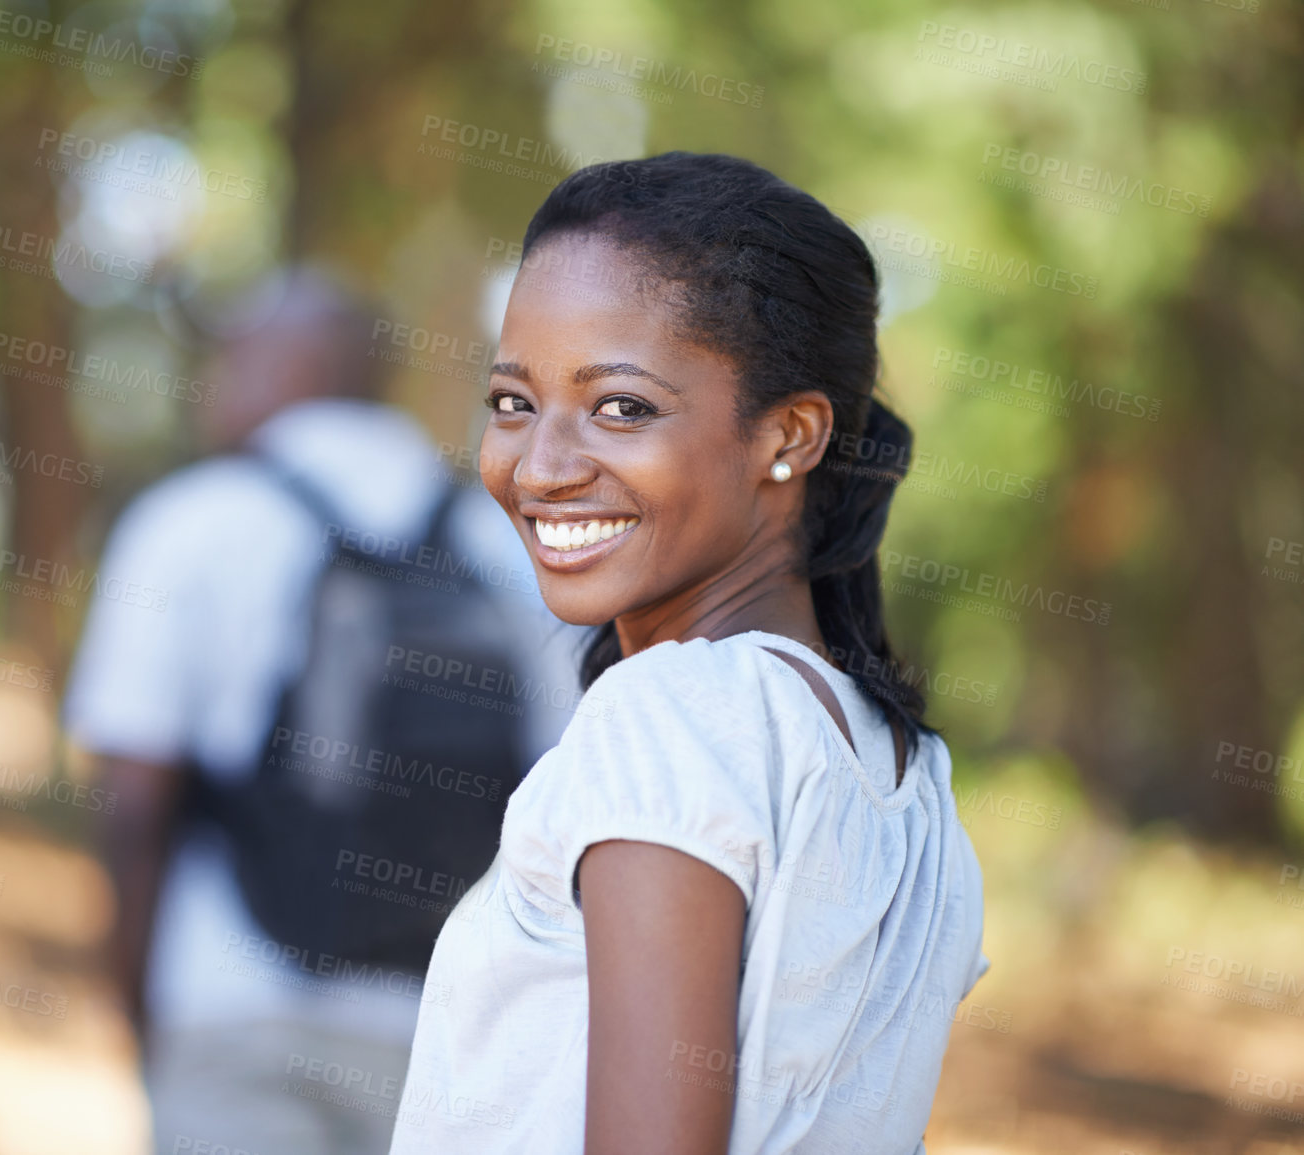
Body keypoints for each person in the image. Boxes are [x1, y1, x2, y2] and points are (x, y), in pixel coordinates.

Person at [387, 153, 991, 1154]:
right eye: (512, 402)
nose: (540, 466)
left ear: (788, 436)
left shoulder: (668, 716)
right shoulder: (909, 779)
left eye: (621, 407)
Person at [62, 265, 582, 1155]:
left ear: (281, 371)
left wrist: (136, 1015)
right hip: (440, 1041)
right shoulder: (510, 548)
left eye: (229, 360)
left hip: (232, 1012)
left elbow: (134, 803)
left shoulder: (191, 523)